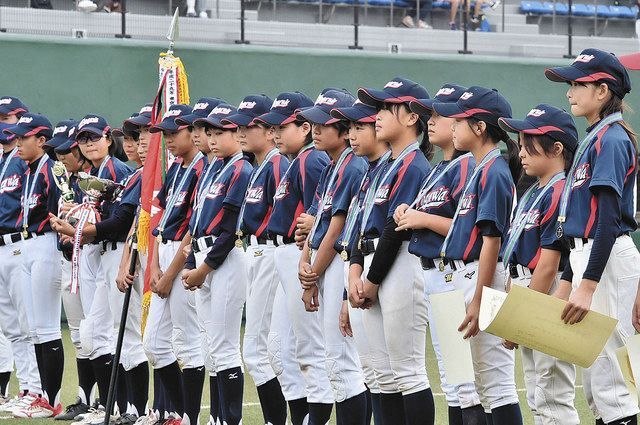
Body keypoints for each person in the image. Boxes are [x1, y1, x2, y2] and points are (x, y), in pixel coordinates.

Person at [546, 48, 640, 425]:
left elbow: (605, 223)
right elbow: (580, 226)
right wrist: (571, 281)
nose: (569, 92)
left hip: (607, 260)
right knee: (596, 387)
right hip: (590, 259)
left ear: (602, 91)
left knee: (613, 385)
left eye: (577, 84)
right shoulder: (595, 138)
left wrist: (586, 284)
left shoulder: (612, 140)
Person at [394, 83, 485, 425]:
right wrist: (410, 213)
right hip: (435, 274)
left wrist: (422, 218)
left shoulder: (466, 167)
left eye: (440, 114)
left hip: (456, 273)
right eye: (428, 114)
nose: (431, 121)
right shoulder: (438, 169)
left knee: (466, 384)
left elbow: (470, 229)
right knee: (452, 380)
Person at [433, 86, 523, 424]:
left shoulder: (495, 171)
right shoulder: (479, 168)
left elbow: (492, 242)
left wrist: (479, 299)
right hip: (467, 276)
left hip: (484, 277)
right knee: (481, 387)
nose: (451, 126)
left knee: (496, 387)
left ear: (480, 127)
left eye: (458, 120)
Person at [351, 77, 433, 425]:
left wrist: (370, 279)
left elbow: (393, 229)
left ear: (413, 117)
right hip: (371, 264)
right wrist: (356, 270)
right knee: (381, 373)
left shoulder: (415, 166)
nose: (378, 115)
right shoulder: (384, 166)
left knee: (408, 371)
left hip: (399, 263)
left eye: (387, 107)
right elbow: (362, 223)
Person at [497, 104, 580, 425]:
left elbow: (548, 265)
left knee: (552, 395)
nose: (521, 151)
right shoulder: (534, 191)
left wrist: (520, 318)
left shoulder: (561, 191)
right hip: (526, 290)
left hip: (547, 292)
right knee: (537, 395)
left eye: (530, 141)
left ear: (557, 148)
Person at [254, 92, 334, 424]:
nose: (274, 134)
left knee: (309, 350)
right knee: (280, 349)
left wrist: (309, 254)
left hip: (300, 254)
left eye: (282, 126)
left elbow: (322, 214)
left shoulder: (312, 160)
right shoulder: (299, 159)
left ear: (303, 128)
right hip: (285, 253)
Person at [220, 94, 294, 425]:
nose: (242, 131)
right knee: (261, 351)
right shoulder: (260, 165)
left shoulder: (278, 164)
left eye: (252, 125)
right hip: (257, 250)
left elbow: (291, 214)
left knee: (261, 351)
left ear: (269, 131)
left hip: (273, 251)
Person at [297, 89, 370, 424]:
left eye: (323, 123)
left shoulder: (353, 167)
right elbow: (311, 226)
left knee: (342, 362)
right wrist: (305, 265)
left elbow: (336, 229)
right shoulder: (330, 167)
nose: (315, 129)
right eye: (312, 122)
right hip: (324, 266)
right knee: (335, 361)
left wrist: (310, 272)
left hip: (342, 264)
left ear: (344, 129)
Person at [182, 104, 253, 425]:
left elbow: (228, 230)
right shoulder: (214, 168)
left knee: (224, 346)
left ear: (238, 133)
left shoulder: (241, 170)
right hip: (203, 257)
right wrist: (190, 261)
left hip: (224, 259)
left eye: (219, 132)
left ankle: (229, 419)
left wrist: (202, 268)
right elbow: (197, 223)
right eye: (208, 132)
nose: (211, 138)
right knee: (211, 347)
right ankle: (217, 417)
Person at [143, 104, 206, 425]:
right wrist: (154, 267)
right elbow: (160, 219)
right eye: (164, 133)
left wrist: (168, 274)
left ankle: (189, 417)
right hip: (164, 253)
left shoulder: (201, 170)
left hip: (185, 258)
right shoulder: (178, 168)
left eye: (173, 132)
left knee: (189, 342)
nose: (167, 138)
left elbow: (195, 229)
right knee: (153, 343)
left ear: (193, 133)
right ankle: (184, 411)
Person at [5, 113, 64, 418]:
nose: (17, 142)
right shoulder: (29, 170)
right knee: (34, 328)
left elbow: (64, 206)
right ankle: (40, 395)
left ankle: (51, 399)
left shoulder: (51, 168)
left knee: (46, 327)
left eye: (23, 137)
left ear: (42, 140)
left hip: (45, 244)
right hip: (28, 244)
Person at [0, 100, 41, 412]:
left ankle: (37, 390)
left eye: (8, 117)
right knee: (12, 326)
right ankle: (27, 387)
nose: (4, 124)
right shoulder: (6, 159)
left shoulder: (27, 161)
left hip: (20, 244)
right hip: (4, 246)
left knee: (28, 323)